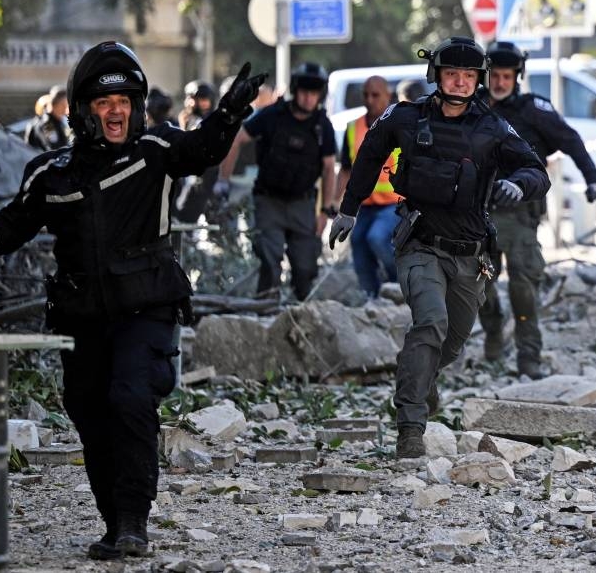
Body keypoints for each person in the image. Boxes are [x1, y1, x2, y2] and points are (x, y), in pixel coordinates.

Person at [0, 41, 265, 559]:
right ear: (83, 110)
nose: (116, 109)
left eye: (125, 99)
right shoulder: (50, 174)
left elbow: (206, 148)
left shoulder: (157, 150)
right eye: (104, 102)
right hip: (81, 316)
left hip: (147, 307)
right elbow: (5, 230)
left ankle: (132, 523)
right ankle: (112, 522)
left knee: (130, 397)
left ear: (137, 105)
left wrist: (230, 111)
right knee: (88, 410)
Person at [328, 36, 549, 458]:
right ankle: (410, 427)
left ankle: (422, 378)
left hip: (470, 253)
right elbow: (370, 154)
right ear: (437, 76)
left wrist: (516, 186)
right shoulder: (405, 117)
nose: (461, 83)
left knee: (453, 341)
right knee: (429, 323)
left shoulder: (492, 127)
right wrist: (348, 210)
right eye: (453, 74)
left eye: (469, 76)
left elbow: (536, 170)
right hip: (420, 244)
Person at [477, 41, 596, 379]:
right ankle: (492, 330)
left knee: (523, 288)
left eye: (506, 76)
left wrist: (593, 179)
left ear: (517, 77)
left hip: (520, 213)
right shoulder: (472, 108)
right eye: (495, 76)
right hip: (477, 213)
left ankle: (528, 356)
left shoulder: (533, 110)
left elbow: (572, 141)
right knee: (478, 286)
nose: (500, 83)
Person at [215, 62, 336, 300]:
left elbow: (329, 168)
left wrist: (325, 211)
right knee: (269, 259)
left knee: (305, 268)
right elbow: (237, 139)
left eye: (314, 93)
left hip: (303, 204)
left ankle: (301, 314)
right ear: (295, 89)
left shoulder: (323, 126)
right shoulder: (272, 115)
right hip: (269, 200)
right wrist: (223, 180)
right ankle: (265, 311)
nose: (309, 98)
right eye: (304, 91)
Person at [333, 76, 401, 299]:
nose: (369, 100)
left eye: (375, 95)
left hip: (394, 204)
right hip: (365, 205)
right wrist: (336, 201)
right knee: (357, 241)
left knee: (377, 237)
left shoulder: (401, 126)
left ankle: (399, 283)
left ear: (387, 96)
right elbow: (345, 169)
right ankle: (370, 295)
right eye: (365, 95)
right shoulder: (354, 129)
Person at [174, 80, 221, 223]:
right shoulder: (191, 119)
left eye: (203, 99)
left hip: (208, 181)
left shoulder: (211, 120)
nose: (197, 103)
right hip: (194, 179)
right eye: (193, 98)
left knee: (188, 222)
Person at [24, 86, 71, 151]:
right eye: (65, 105)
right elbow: (54, 149)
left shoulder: (58, 121)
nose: (67, 109)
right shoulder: (47, 124)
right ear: (58, 105)